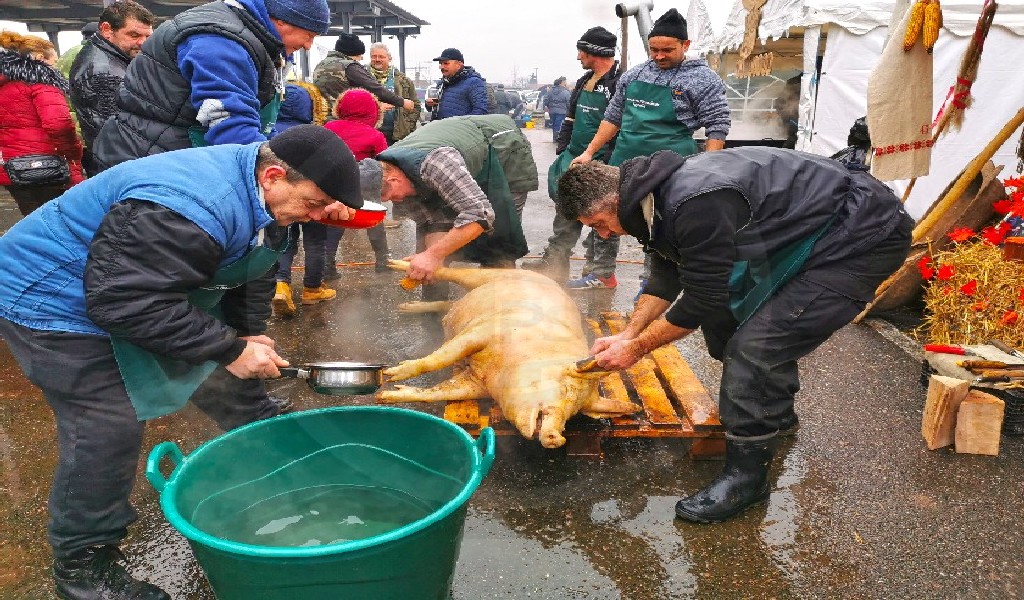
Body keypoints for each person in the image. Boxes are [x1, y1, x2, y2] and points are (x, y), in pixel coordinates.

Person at [0, 125, 362, 600]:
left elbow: (251, 269)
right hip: (51, 300)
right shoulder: (187, 207)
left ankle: (295, 467)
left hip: (138, 289)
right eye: (314, 205)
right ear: (274, 175)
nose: (316, 217)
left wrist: (246, 333)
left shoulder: (268, 193)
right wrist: (229, 349)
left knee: (236, 386)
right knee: (106, 425)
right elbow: (121, 301)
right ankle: (83, 568)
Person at [556, 147, 913, 523]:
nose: (603, 233)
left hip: (860, 236)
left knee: (756, 347)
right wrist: (629, 333)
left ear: (614, 199)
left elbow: (701, 299)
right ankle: (772, 415)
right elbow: (666, 275)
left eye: (598, 223)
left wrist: (638, 349)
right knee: (726, 323)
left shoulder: (693, 201)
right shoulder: (648, 199)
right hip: (811, 230)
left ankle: (747, 479)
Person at [568, 8, 731, 292]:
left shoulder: (703, 79)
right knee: (600, 214)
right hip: (624, 160)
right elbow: (613, 117)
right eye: (653, 49)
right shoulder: (636, 74)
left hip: (670, 168)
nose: (658, 56)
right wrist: (590, 152)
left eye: (667, 50)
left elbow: (717, 126)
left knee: (659, 226)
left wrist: (710, 170)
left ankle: (652, 285)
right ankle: (602, 273)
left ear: (686, 45)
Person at [90, 0, 331, 170]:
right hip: (152, 160)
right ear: (281, 22)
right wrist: (293, 175)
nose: (309, 46)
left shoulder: (256, 39)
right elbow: (232, 127)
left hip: (181, 153)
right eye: (309, 35)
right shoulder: (220, 43)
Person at [359, 114, 537, 298]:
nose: (389, 202)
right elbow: (433, 223)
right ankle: (433, 308)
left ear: (394, 180)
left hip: (503, 148)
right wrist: (432, 259)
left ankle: (503, 298)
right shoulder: (389, 171)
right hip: (457, 155)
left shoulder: (436, 163)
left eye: (385, 196)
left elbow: (480, 214)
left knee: (500, 231)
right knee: (430, 251)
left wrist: (433, 256)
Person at [522, 26, 621, 284]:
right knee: (566, 210)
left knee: (602, 220)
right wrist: (563, 148)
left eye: (582, 51)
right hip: (576, 156)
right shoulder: (583, 81)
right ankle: (554, 266)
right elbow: (570, 118)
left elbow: (623, 124)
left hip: (604, 161)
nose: (578, 57)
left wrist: (610, 159)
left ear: (595, 52)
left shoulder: (620, 82)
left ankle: (600, 273)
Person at [270, 82, 337, 317]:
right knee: (316, 242)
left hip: (281, 199)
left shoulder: (268, 132)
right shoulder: (315, 135)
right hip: (313, 199)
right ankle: (312, 289)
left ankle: (281, 285)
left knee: (284, 241)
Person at [0, 31, 84, 216]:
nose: (55, 66)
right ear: (39, 58)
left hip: (11, 168)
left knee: (33, 222)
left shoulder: (4, 83)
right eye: (54, 61)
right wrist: (74, 150)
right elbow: (58, 124)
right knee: (65, 219)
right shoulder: (42, 80)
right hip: (49, 165)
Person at [69, 0, 155, 174]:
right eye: (134, 35)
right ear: (107, 29)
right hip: (120, 169)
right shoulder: (103, 72)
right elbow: (117, 136)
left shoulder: (107, 58)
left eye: (148, 36)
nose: (143, 43)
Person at [324, 88, 391, 277]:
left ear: (341, 107)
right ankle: (383, 260)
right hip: (365, 183)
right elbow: (383, 162)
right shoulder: (375, 135)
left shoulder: (329, 128)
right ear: (374, 111)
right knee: (374, 221)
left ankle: (328, 264)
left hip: (337, 181)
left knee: (335, 221)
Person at [311, 33, 415, 114]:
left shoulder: (321, 64)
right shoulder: (349, 66)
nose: (360, 59)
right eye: (359, 56)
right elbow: (374, 88)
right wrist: (402, 102)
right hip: (341, 119)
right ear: (352, 54)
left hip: (321, 118)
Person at [367, 41, 420, 145]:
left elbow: (416, 106)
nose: (377, 59)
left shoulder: (403, 80)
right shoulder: (361, 77)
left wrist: (408, 126)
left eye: (381, 57)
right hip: (370, 132)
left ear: (389, 58)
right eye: (374, 56)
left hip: (396, 135)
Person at [426, 48, 489, 120]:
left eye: (446, 63)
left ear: (459, 65)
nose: (442, 67)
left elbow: (481, 111)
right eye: (441, 63)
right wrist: (428, 105)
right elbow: (434, 108)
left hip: (460, 130)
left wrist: (462, 126)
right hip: (440, 129)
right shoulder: (442, 83)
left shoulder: (474, 82)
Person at [545, 77, 570, 142]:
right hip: (562, 111)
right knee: (559, 124)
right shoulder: (565, 92)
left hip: (552, 111)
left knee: (554, 124)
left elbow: (546, 101)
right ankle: (558, 138)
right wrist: (569, 110)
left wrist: (550, 107)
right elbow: (569, 102)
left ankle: (554, 137)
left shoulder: (550, 91)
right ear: (561, 83)